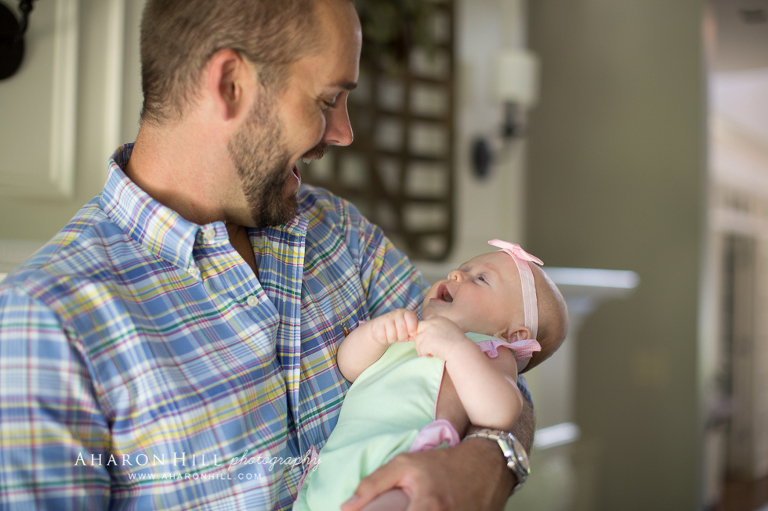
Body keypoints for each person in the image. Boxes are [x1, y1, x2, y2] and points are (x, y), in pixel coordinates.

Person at [0, 0, 535, 509]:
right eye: (327, 100)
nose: (344, 134)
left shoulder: (342, 233)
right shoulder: (46, 322)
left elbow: (495, 365)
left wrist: (485, 467)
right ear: (230, 85)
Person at [294, 240, 568, 510]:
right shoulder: (410, 329)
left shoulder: (488, 350)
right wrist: (374, 334)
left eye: (481, 278)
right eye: (463, 268)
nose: (456, 274)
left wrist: (457, 348)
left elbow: (500, 412)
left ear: (511, 334)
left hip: (404, 465)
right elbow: (350, 367)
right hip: (336, 464)